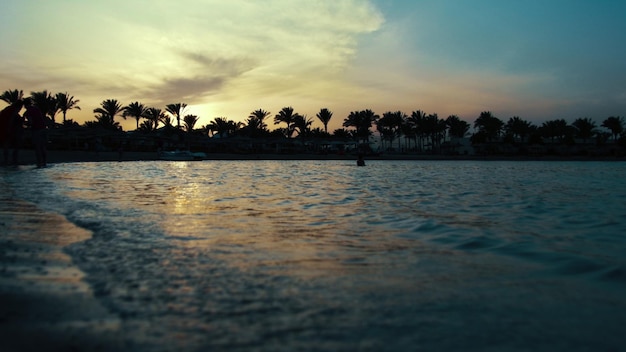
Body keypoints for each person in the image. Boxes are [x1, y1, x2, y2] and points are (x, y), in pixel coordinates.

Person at [23, 99, 48, 168]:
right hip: (43, 128)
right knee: (43, 146)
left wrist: (25, 124)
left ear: (25, 105)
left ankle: (39, 163)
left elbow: (31, 122)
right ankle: (44, 162)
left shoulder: (28, 112)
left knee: (37, 147)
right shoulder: (36, 109)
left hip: (36, 130)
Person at [0, 101, 24, 166]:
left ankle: (6, 160)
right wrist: (9, 128)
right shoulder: (13, 110)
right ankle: (10, 161)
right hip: (6, 128)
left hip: (3, 127)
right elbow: (11, 119)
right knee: (9, 145)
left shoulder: (8, 109)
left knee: (6, 145)